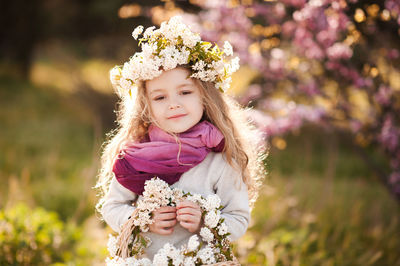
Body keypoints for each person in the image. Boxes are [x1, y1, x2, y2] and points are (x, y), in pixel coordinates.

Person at [95, 16, 265, 260]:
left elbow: (238, 219)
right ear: (146, 106)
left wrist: (206, 222)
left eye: (185, 92)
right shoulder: (134, 155)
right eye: (160, 97)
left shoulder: (221, 157)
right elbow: (112, 207)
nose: (173, 104)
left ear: (205, 97)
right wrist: (142, 220)